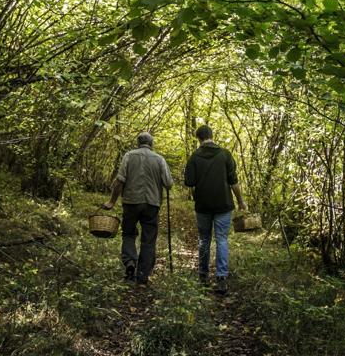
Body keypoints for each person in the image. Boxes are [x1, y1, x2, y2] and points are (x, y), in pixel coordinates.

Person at [102, 131, 174, 284]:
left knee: (128, 234)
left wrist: (111, 202)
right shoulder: (160, 159)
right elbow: (169, 184)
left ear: (138, 143)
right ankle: (142, 274)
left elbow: (120, 181)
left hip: (131, 202)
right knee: (148, 240)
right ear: (151, 144)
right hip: (152, 204)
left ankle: (129, 263)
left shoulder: (129, 156)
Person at [183, 124, 247, 294]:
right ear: (212, 135)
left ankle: (203, 275)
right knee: (222, 240)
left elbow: (189, 182)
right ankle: (221, 278)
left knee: (204, 239)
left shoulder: (194, 157)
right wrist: (241, 201)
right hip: (224, 204)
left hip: (203, 205)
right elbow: (234, 181)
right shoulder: (225, 154)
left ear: (199, 138)